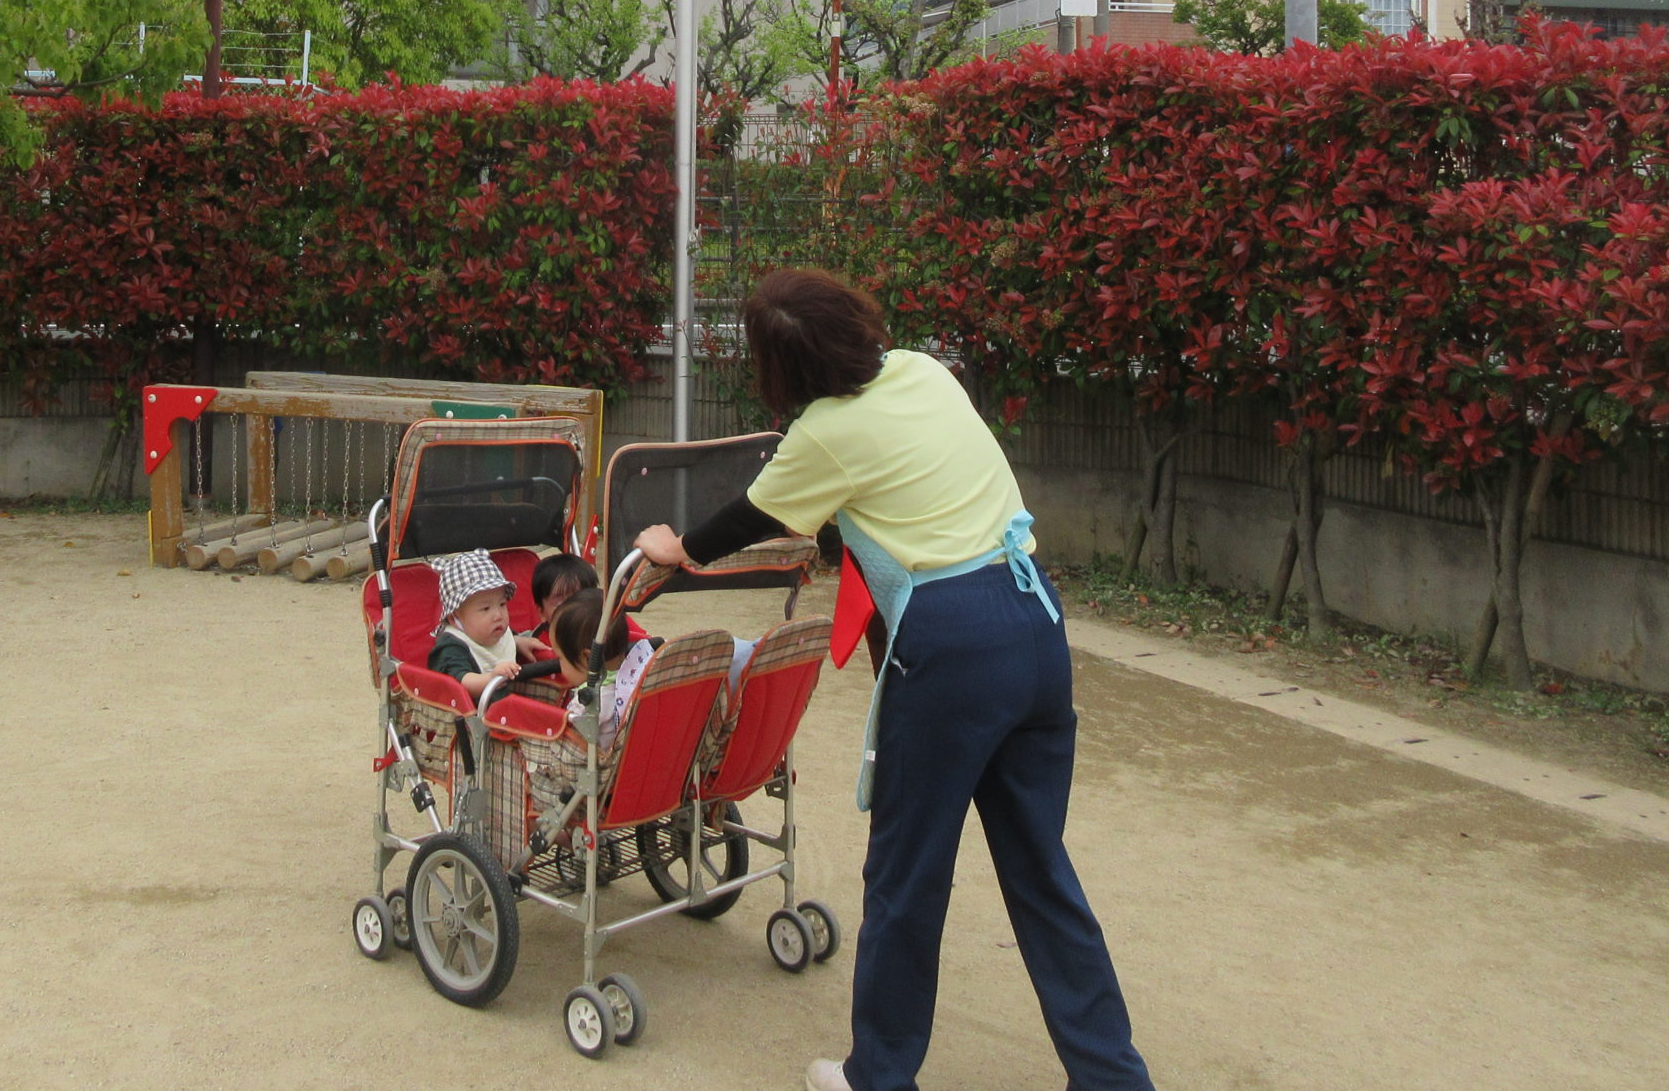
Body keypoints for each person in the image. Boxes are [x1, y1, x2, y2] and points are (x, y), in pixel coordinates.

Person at [636, 268, 1153, 1091]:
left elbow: (749, 518)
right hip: (1034, 620)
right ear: (856, 322)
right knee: (1040, 869)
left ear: (780, 371)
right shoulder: (922, 369)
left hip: (953, 646)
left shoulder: (823, 436)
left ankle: (879, 1075)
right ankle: (1113, 1079)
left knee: (907, 873)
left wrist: (682, 550)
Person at [545, 585, 656, 748]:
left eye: (560, 658)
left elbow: (568, 751)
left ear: (588, 658)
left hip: (594, 770)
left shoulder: (588, 706)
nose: (558, 664)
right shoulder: (637, 684)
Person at [423, 550, 526, 708]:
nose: (498, 615)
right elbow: (460, 682)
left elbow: (504, 640)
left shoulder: (494, 630)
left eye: (502, 604)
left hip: (507, 710)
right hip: (473, 719)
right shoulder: (451, 645)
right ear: (455, 619)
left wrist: (519, 641)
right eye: (485, 609)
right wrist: (491, 678)